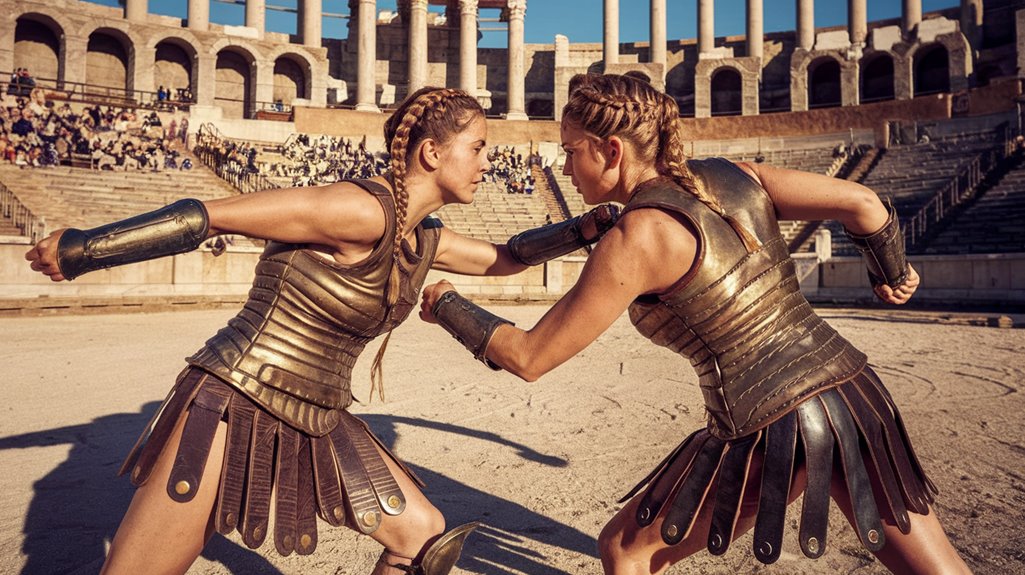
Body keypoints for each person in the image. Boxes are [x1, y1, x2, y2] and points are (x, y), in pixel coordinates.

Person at [24, 86, 619, 575]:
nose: (490, 161)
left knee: (421, 535)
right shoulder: (358, 209)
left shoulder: (423, 237)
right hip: (234, 401)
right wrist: (85, 249)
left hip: (316, 415)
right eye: (479, 146)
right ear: (433, 154)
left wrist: (591, 227)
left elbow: (507, 257)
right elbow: (207, 216)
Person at [420, 74, 973, 575]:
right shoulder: (735, 174)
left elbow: (529, 356)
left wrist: (446, 304)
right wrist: (891, 274)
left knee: (626, 552)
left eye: (571, 152)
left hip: (769, 420)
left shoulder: (635, 240)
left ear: (611, 150)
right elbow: (863, 202)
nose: (564, 168)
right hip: (851, 391)